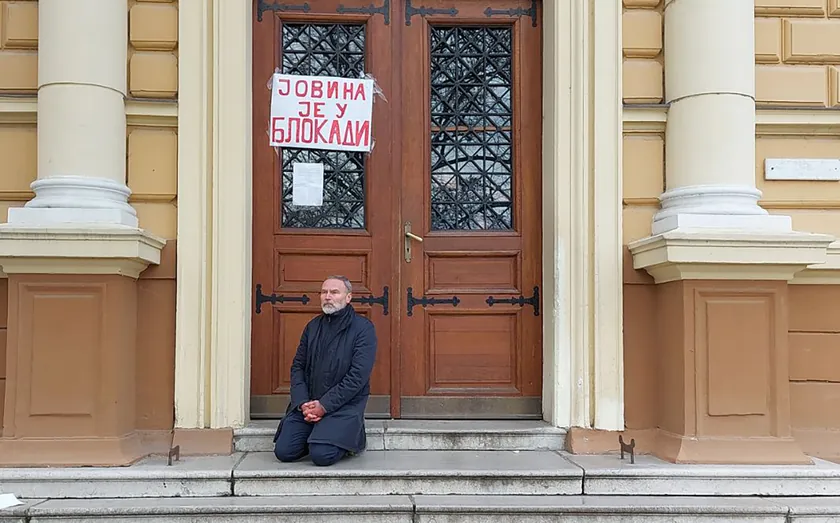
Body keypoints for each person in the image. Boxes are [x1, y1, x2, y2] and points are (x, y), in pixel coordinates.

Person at [272, 275, 377, 466]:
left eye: (334, 292)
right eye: (324, 292)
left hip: (343, 407)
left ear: (348, 297)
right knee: (284, 452)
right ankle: (317, 433)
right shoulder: (312, 327)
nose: (327, 296)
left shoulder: (363, 329)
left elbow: (357, 376)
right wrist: (303, 403)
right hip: (308, 405)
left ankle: (346, 437)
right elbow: (298, 367)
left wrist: (325, 405)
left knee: (322, 456)